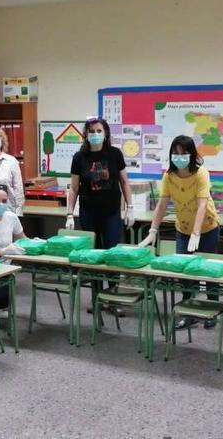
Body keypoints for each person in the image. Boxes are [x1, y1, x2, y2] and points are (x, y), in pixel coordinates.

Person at [139, 135, 221, 329]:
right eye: (175, 153)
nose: (179, 157)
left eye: (184, 153)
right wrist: (153, 230)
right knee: (184, 273)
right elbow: (161, 204)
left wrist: (197, 233)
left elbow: (202, 205)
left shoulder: (201, 174)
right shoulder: (169, 176)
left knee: (208, 272)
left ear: (192, 154)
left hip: (207, 228)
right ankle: (188, 312)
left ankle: (212, 311)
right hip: (182, 229)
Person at [65, 117, 134, 313]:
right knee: (92, 256)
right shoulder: (79, 158)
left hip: (111, 212)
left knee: (111, 255)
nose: (95, 135)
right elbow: (74, 187)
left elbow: (124, 182)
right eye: (91, 131)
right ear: (86, 135)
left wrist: (130, 207)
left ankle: (112, 298)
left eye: (98, 131)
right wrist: (70, 214)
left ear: (105, 134)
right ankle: (96, 299)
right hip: (88, 213)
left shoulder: (114, 154)